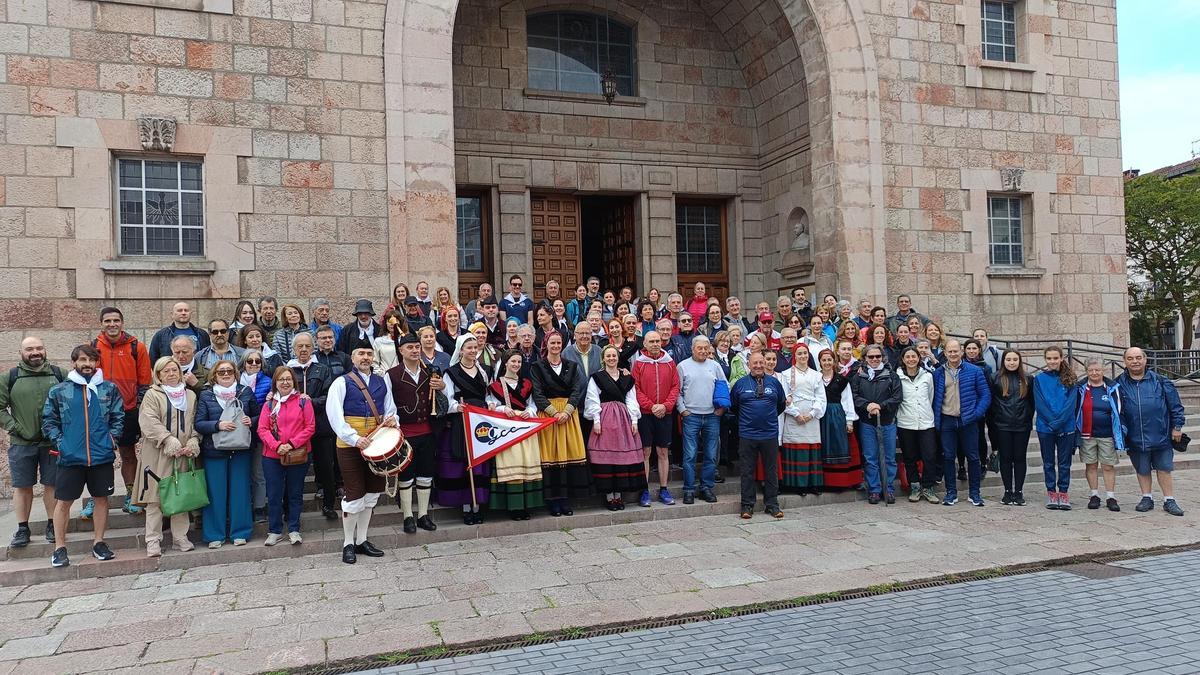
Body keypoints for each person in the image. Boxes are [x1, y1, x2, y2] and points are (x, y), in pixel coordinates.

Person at [42, 344, 125, 567]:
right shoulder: (59, 391)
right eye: (82, 360)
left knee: (101, 499)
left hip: (101, 456)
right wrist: (61, 443)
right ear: (74, 363)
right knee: (64, 502)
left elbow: (118, 417)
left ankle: (99, 542)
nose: (87, 364)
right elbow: (49, 421)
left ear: (96, 362)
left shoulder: (108, 389)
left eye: (91, 360)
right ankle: (59, 547)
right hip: (70, 457)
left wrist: (112, 440)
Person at [326, 344, 397, 563]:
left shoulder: (382, 380)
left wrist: (393, 422)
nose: (365, 357)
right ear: (352, 357)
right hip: (349, 446)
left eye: (369, 354)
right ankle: (348, 542)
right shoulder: (341, 382)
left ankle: (362, 540)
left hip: (376, 445)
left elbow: (390, 409)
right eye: (361, 354)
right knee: (354, 494)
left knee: (372, 493)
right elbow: (335, 415)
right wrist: (355, 438)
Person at [134, 356, 202, 557]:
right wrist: (166, 439)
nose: (171, 374)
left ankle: (180, 537)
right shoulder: (152, 395)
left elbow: (194, 420)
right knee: (155, 497)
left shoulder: (190, 396)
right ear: (158, 375)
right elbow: (148, 421)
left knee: (180, 496)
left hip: (183, 453)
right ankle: (153, 540)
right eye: (166, 371)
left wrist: (194, 440)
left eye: (174, 370)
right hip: (158, 452)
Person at [1, 337, 63, 548]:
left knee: (52, 484)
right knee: (22, 485)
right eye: (30, 349)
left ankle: (53, 524)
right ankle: (22, 528)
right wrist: (14, 427)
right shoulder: (10, 377)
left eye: (39, 348)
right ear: (21, 352)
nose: (35, 352)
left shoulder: (58, 374)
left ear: (45, 350)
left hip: (52, 442)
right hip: (21, 442)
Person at [92, 306, 151, 519]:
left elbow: (145, 382)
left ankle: (131, 494)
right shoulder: (93, 347)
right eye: (107, 321)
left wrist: (137, 407)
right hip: (99, 412)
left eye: (116, 320)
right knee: (98, 455)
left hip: (127, 410)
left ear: (122, 323)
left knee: (128, 453)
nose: (112, 324)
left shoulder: (137, 346)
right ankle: (95, 498)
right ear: (101, 324)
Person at [195, 359, 259, 548]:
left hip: (240, 449)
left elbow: (258, 414)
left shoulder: (245, 392)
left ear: (235, 373)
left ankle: (241, 532)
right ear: (214, 375)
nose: (225, 374)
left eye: (229, 371)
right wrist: (217, 425)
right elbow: (198, 423)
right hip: (214, 450)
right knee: (215, 493)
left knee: (240, 492)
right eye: (221, 371)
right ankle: (215, 534)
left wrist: (251, 420)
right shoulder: (206, 395)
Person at [1117, 347, 1187, 516]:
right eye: (1131, 358)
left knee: (1164, 468)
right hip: (1135, 435)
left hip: (1160, 434)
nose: (1135, 361)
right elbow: (1116, 412)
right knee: (1142, 469)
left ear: (1145, 359)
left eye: (1138, 357)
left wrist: (1177, 427)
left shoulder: (1161, 381)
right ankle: (1146, 497)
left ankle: (1169, 500)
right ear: (1125, 361)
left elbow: (1176, 407)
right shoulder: (1118, 385)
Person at [530, 332, 590, 516]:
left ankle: (565, 499)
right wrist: (554, 412)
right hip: (548, 415)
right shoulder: (537, 367)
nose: (555, 346)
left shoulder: (571, 366)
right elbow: (537, 393)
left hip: (568, 414)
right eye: (552, 343)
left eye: (558, 343)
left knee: (568, 454)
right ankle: (553, 500)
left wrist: (567, 411)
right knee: (551, 456)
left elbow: (576, 389)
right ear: (546, 344)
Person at [389, 333, 443, 533]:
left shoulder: (430, 372)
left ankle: (422, 515)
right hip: (405, 432)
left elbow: (441, 397)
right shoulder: (392, 374)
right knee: (406, 476)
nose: (414, 350)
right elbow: (389, 405)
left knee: (426, 473)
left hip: (428, 431)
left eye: (416, 347)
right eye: (409, 347)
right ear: (401, 350)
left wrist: (442, 387)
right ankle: (407, 517)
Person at [584, 344, 647, 510]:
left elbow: (631, 400)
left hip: (623, 420)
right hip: (605, 419)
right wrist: (596, 420)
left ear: (618, 358)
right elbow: (592, 399)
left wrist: (634, 421)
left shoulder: (627, 378)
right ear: (603, 359)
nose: (611, 358)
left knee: (621, 458)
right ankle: (609, 496)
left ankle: (618, 496)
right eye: (608, 356)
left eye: (614, 356)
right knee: (607, 458)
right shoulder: (597, 377)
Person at [258, 366, 315, 546]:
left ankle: (293, 528)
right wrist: (277, 446)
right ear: (275, 382)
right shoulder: (269, 404)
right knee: (274, 494)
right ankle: (274, 530)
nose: (285, 382)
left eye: (288, 379)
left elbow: (310, 427)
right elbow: (262, 429)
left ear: (294, 382)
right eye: (281, 379)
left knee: (295, 493)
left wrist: (290, 444)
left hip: (297, 453)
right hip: (272, 456)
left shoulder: (303, 402)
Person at [439, 335, 492, 524]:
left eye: (475, 347)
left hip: (480, 421)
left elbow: (489, 394)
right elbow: (448, 398)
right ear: (461, 350)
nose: (472, 350)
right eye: (468, 347)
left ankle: (477, 506)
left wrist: (490, 406)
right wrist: (456, 407)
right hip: (462, 420)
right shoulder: (451, 372)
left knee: (478, 462)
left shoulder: (484, 371)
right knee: (463, 462)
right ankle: (466, 507)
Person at [486, 350, 545, 520]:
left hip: (525, 428)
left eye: (519, 362)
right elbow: (492, 404)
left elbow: (533, 403)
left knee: (526, 462)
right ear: (505, 363)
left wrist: (529, 410)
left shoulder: (527, 383)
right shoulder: (496, 385)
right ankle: (513, 506)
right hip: (507, 430)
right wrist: (503, 409)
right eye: (513, 361)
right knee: (512, 463)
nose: (516, 365)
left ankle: (526, 505)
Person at [933, 340, 992, 507]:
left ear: (961, 352)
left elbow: (985, 395)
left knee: (973, 457)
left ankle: (975, 493)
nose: (953, 354)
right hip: (947, 420)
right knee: (949, 457)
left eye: (956, 351)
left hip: (968, 420)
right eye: (949, 352)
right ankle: (951, 493)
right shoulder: (938, 373)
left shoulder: (974, 371)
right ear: (945, 353)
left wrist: (976, 413)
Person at [730, 351, 787, 519]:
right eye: (755, 363)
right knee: (747, 471)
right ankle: (747, 505)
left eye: (761, 362)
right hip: (747, 434)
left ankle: (772, 504)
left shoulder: (775, 383)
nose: (758, 366)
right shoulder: (740, 384)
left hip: (769, 434)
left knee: (771, 470)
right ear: (749, 365)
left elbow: (781, 405)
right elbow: (734, 407)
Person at [288, 334, 336, 519]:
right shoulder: (288, 370)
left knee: (326, 467)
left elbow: (329, 396)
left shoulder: (322, 369)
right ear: (294, 349)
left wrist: (311, 402)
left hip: (321, 426)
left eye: (307, 346)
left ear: (312, 348)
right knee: (296, 469)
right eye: (299, 346)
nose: (303, 349)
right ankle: (293, 509)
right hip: (296, 428)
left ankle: (329, 505)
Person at [676, 336, 728, 504]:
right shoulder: (683, 366)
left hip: (712, 416)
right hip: (691, 416)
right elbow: (677, 391)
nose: (704, 351)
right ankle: (689, 489)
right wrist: (682, 410)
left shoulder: (715, 366)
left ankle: (706, 488)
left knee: (711, 455)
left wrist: (721, 409)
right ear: (693, 349)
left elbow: (724, 386)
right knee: (689, 455)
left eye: (706, 348)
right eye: (700, 348)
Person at [632, 331, 680, 508]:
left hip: (664, 414)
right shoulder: (639, 364)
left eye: (657, 341)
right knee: (645, 452)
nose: (655, 344)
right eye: (651, 341)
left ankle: (664, 489)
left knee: (662, 452)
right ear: (644, 343)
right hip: (646, 413)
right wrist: (651, 405)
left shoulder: (669, 362)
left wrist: (665, 406)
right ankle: (644, 490)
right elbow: (635, 388)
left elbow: (676, 386)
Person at [851, 344, 903, 505]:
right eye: (871, 357)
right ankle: (874, 489)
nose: (874, 360)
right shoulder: (859, 376)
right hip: (867, 422)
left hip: (887, 421)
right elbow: (853, 395)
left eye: (877, 357)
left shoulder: (891, 375)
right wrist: (867, 405)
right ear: (865, 358)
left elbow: (897, 397)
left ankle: (888, 488)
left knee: (888, 457)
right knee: (870, 457)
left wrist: (881, 406)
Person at [1033, 346, 1079, 510]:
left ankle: (1064, 492)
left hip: (1066, 426)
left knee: (1064, 462)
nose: (1052, 361)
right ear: (1045, 360)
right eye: (1049, 358)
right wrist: (1052, 421)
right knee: (1048, 461)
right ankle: (1051, 491)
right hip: (1046, 427)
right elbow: (1040, 403)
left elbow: (1070, 404)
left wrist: (1059, 422)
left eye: (1055, 358)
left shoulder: (1070, 378)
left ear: (1061, 358)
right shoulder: (1039, 379)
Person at [1076, 358, 1124, 512]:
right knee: (1090, 465)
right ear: (1086, 371)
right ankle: (1094, 495)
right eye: (1091, 370)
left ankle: (1111, 496)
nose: (1094, 373)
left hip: (1107, 434)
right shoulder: (1080, 388)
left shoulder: (1112, 388)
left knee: (1108, 466)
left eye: (1097, 370)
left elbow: (1119, 410)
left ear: (1103, 370)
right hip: (1087, 434)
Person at [779, 343, 826, 495]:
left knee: (811, 449)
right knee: (796, 449)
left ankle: (813, 484)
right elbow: (784, 397)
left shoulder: (816, 375)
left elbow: (821, 398)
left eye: (805, 353)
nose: (803, 356)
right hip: (794, 417)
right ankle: (797, 485)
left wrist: (812, 414)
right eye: (799, 353)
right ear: (794, 355)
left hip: (811, 418)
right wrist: (796, 414)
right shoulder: (786, 374)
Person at [895, 347, 939, 504]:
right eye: (908, 357)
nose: (911, 359)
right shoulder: (897, 377)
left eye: (914, 356)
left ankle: (928, 487)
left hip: (926, 422)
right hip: (906, 422)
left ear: (919, 358)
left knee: (929, 456)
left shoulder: (927, 376)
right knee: (910, 457)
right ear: (903, 359)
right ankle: (914, 486)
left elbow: (930, 397)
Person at [990, 349, 1033, 506]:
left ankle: (1019, 491)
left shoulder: (1028, 378)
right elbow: (992, 402)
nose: (1012, 362)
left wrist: (1027, 417)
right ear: (1003, 361)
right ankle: (1008, 491)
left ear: (1019, 361)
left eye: (1015, 359)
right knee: (1006, 459)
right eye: (1008, 359)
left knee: (1020, 458)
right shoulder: (995, 378)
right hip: (1002, 425)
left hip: (1022, 425)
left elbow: (1032, 402)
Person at [818, 348, 862, 491]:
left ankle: (840, 481)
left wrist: (849, 421)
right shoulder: (815, 378)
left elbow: (847, 400)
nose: (826, 363)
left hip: (837, 416)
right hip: (820, 416)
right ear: (819, 362)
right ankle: (824, 481)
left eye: (829, 360)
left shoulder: (842, 380)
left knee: (839, 446)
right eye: (824, 360)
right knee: (823, 447)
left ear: (834, 361)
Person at [239, 349, 272, 521]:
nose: (253, 364)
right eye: (249, 361)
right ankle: (243, 507)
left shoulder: (268, 382)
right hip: (237, 433)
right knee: (242, 473)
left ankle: (259, 507)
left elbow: (270, 410)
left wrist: (253, 420)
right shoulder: (235, 381)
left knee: (258, 473)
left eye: (257, 361)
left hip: (259, 433)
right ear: (243, 363)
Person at [372, 309, 407, 373]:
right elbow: (374, 363)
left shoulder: (406, 339)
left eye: (396, 320)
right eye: (389, 321)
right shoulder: (379, 341)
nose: (392, 323)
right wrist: (383, 374)